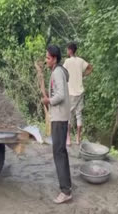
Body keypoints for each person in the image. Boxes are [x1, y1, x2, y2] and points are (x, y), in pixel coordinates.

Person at [40, 45, 72, 204]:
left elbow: (60, 95)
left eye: (47, 58)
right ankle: (67, 187)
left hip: (59, 118)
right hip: (60, 116)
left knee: (58, 153)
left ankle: (65, 191)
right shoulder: (58, 72)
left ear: (54, 59)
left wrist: (48, 101)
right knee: (61, 152)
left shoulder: (58, 73)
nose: (46, 61)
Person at [63, 42, 93, 146]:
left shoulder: (67, 62)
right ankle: (78, 139)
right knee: (79, 114)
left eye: (67, 49)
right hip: (80, 91)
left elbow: (62, 73)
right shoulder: (81, 61)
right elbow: (90, 68)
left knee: (69, 115)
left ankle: (68, 139)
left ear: (70, 50)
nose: (67, 51)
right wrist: (83, 75)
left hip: (71, 92)